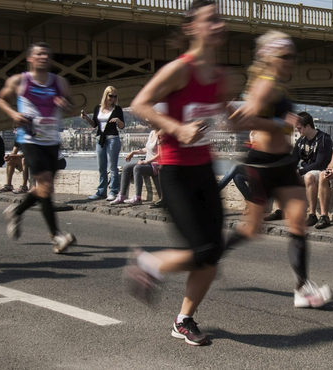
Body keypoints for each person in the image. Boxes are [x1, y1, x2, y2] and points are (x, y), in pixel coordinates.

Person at [126, 0, 229, 346]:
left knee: (213, 253)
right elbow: (139, 104)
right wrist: (177, 128)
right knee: (202, 252)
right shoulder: (179, 69)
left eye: (220, 19)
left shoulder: (219, 76)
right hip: (175, 173)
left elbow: (224, 113)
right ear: (191, 28)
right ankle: (148, 263)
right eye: (210, 20)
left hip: (205, 171)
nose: (219, 25)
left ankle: (184, 320)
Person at [223, 30, 332, 308]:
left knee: (298, 222)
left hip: (283, 164)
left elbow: (246, 117)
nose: (291, 61)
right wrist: (283, 124)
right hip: (262, 164)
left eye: (293, 56)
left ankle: (302, 288)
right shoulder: (265, 86)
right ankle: (209, 255)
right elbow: (243, 123)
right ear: (270, 57)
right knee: (252, 229)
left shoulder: (276, 86)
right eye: (285, 56)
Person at [0, 41, 76, 253]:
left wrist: (65, 106)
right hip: (29, 139)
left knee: (42, 189)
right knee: (47, 188)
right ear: (30, 58)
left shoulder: (60, 82)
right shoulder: (20, 81)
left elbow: (71, 106)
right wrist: (13, 114)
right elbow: (1, 99)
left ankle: (17, 211)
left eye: (47, 55)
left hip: (51, 141)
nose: (43, 58)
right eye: (39, 54)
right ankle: (57, 237)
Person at [270, 111, 332, 225]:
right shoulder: (301, 140)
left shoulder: (323, 140)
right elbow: (294, 158)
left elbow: (320, 163)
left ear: (308, 126)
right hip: (308, 169)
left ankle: (312, 215)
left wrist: (300, 170)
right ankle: (280, 210)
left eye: (299, 128)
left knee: (308, 177)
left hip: (321, 171)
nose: (298, 131)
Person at [81, 86, 124, 201]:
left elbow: (122, 126)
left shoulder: (117, 109)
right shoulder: (97, 108)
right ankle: (101, 192)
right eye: (111, 96)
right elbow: (94, 124)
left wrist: (118, 121)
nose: (112, 99)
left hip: (112, 139)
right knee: (101, 167)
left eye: (115, 97)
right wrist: (86, 117)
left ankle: (113, 191)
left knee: (112, 167)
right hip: (100, 139)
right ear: (106, 95)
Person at [111, 129, 161, 205]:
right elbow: (147, 149)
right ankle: (121, 196)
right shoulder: (151, 133)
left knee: (137, 168)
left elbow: (161, 154)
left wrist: (146, 161)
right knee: (126, 168)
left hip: (156, 165)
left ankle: (137, 197)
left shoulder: (161, 135)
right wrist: (133, 152)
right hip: (148, 164)